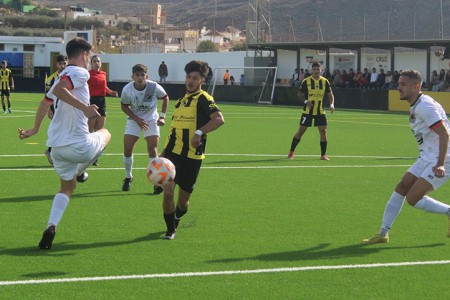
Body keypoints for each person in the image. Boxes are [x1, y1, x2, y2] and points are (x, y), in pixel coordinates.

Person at [18, 37, 112, 250]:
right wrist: (86, 108)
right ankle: (81, 171)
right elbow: (61, 90)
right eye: (89, 56)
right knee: (106, 133)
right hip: (79, 145)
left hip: (57, 148)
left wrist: (35, 129)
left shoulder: (61, 74)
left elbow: (45, 102)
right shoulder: (80, 72)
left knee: (67, 187)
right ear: (85, 55)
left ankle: (51, 225)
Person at [362, 70, 450, 244]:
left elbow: (444, 134)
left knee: (412, 198)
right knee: (402, 187)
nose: (398, 88)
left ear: (416, 86)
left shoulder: (425, 106)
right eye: (398, 83)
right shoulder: (418, 104)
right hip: (427, 157)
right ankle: (382, 233)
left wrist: (440, 164)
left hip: (443, 159)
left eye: (403, 84)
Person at [160, 60, 225, 240]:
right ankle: (170, 229)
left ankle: (178, 217)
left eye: (195, 78)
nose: (190, 81)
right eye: (188, 77)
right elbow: (173, 129)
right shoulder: (180, 101)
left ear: (202, 80)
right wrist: (164, 152)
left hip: (192, 158)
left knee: (183, 202)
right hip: (173, 154)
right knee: (167, 194)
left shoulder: (204, 98)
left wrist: (199, 132)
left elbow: (219, 119)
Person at [120, 64, 169, 194]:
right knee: (127, 149)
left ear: (146, 76)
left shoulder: (153, 86)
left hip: (151, 120)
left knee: (153, 151)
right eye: (137, 75)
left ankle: (157, 183)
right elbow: (124, 106)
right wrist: (137, 119)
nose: (140, 78)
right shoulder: (127, 89)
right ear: (132, 77)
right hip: (134, 120)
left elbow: (165, 98)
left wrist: (162, 117)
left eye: (143, 75)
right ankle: (128, 177)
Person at [288, 62, 335, 161]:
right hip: (308, 111)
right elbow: (299, 94)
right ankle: (291, 152)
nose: (316, 71)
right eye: (314, 69)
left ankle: (323, 155)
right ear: (312, 71)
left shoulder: (325, 81)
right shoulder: (306, 81)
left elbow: (330, 95)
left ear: (321, 70)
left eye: (318, 69)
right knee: (301, 131)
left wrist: (332, 104)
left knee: (323, 131)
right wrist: (306, 101)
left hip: (320, 111)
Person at [88, 55, 118, 166]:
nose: (97, 63)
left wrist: (111, 92)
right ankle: (88, 154)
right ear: (91, 63)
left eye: (98, 61)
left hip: (102, 102)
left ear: (101, 63)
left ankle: (95, 157)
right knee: (90, 130)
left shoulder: (103, 74)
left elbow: (105, 87)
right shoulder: (88, 74)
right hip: (91, 102)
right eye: (95, 61)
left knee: (99, 130)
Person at [44, 54, 68, 165]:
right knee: (61, 131)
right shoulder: (51, 79)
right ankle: (51, 151)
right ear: (56, 64)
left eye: (64, 63)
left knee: (64, 131)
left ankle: (53, 152)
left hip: (67, 108)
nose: (63, 65)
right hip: (56, 109)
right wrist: (49, 109)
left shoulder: (69, 75)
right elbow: (47, 97)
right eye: (60, 63)